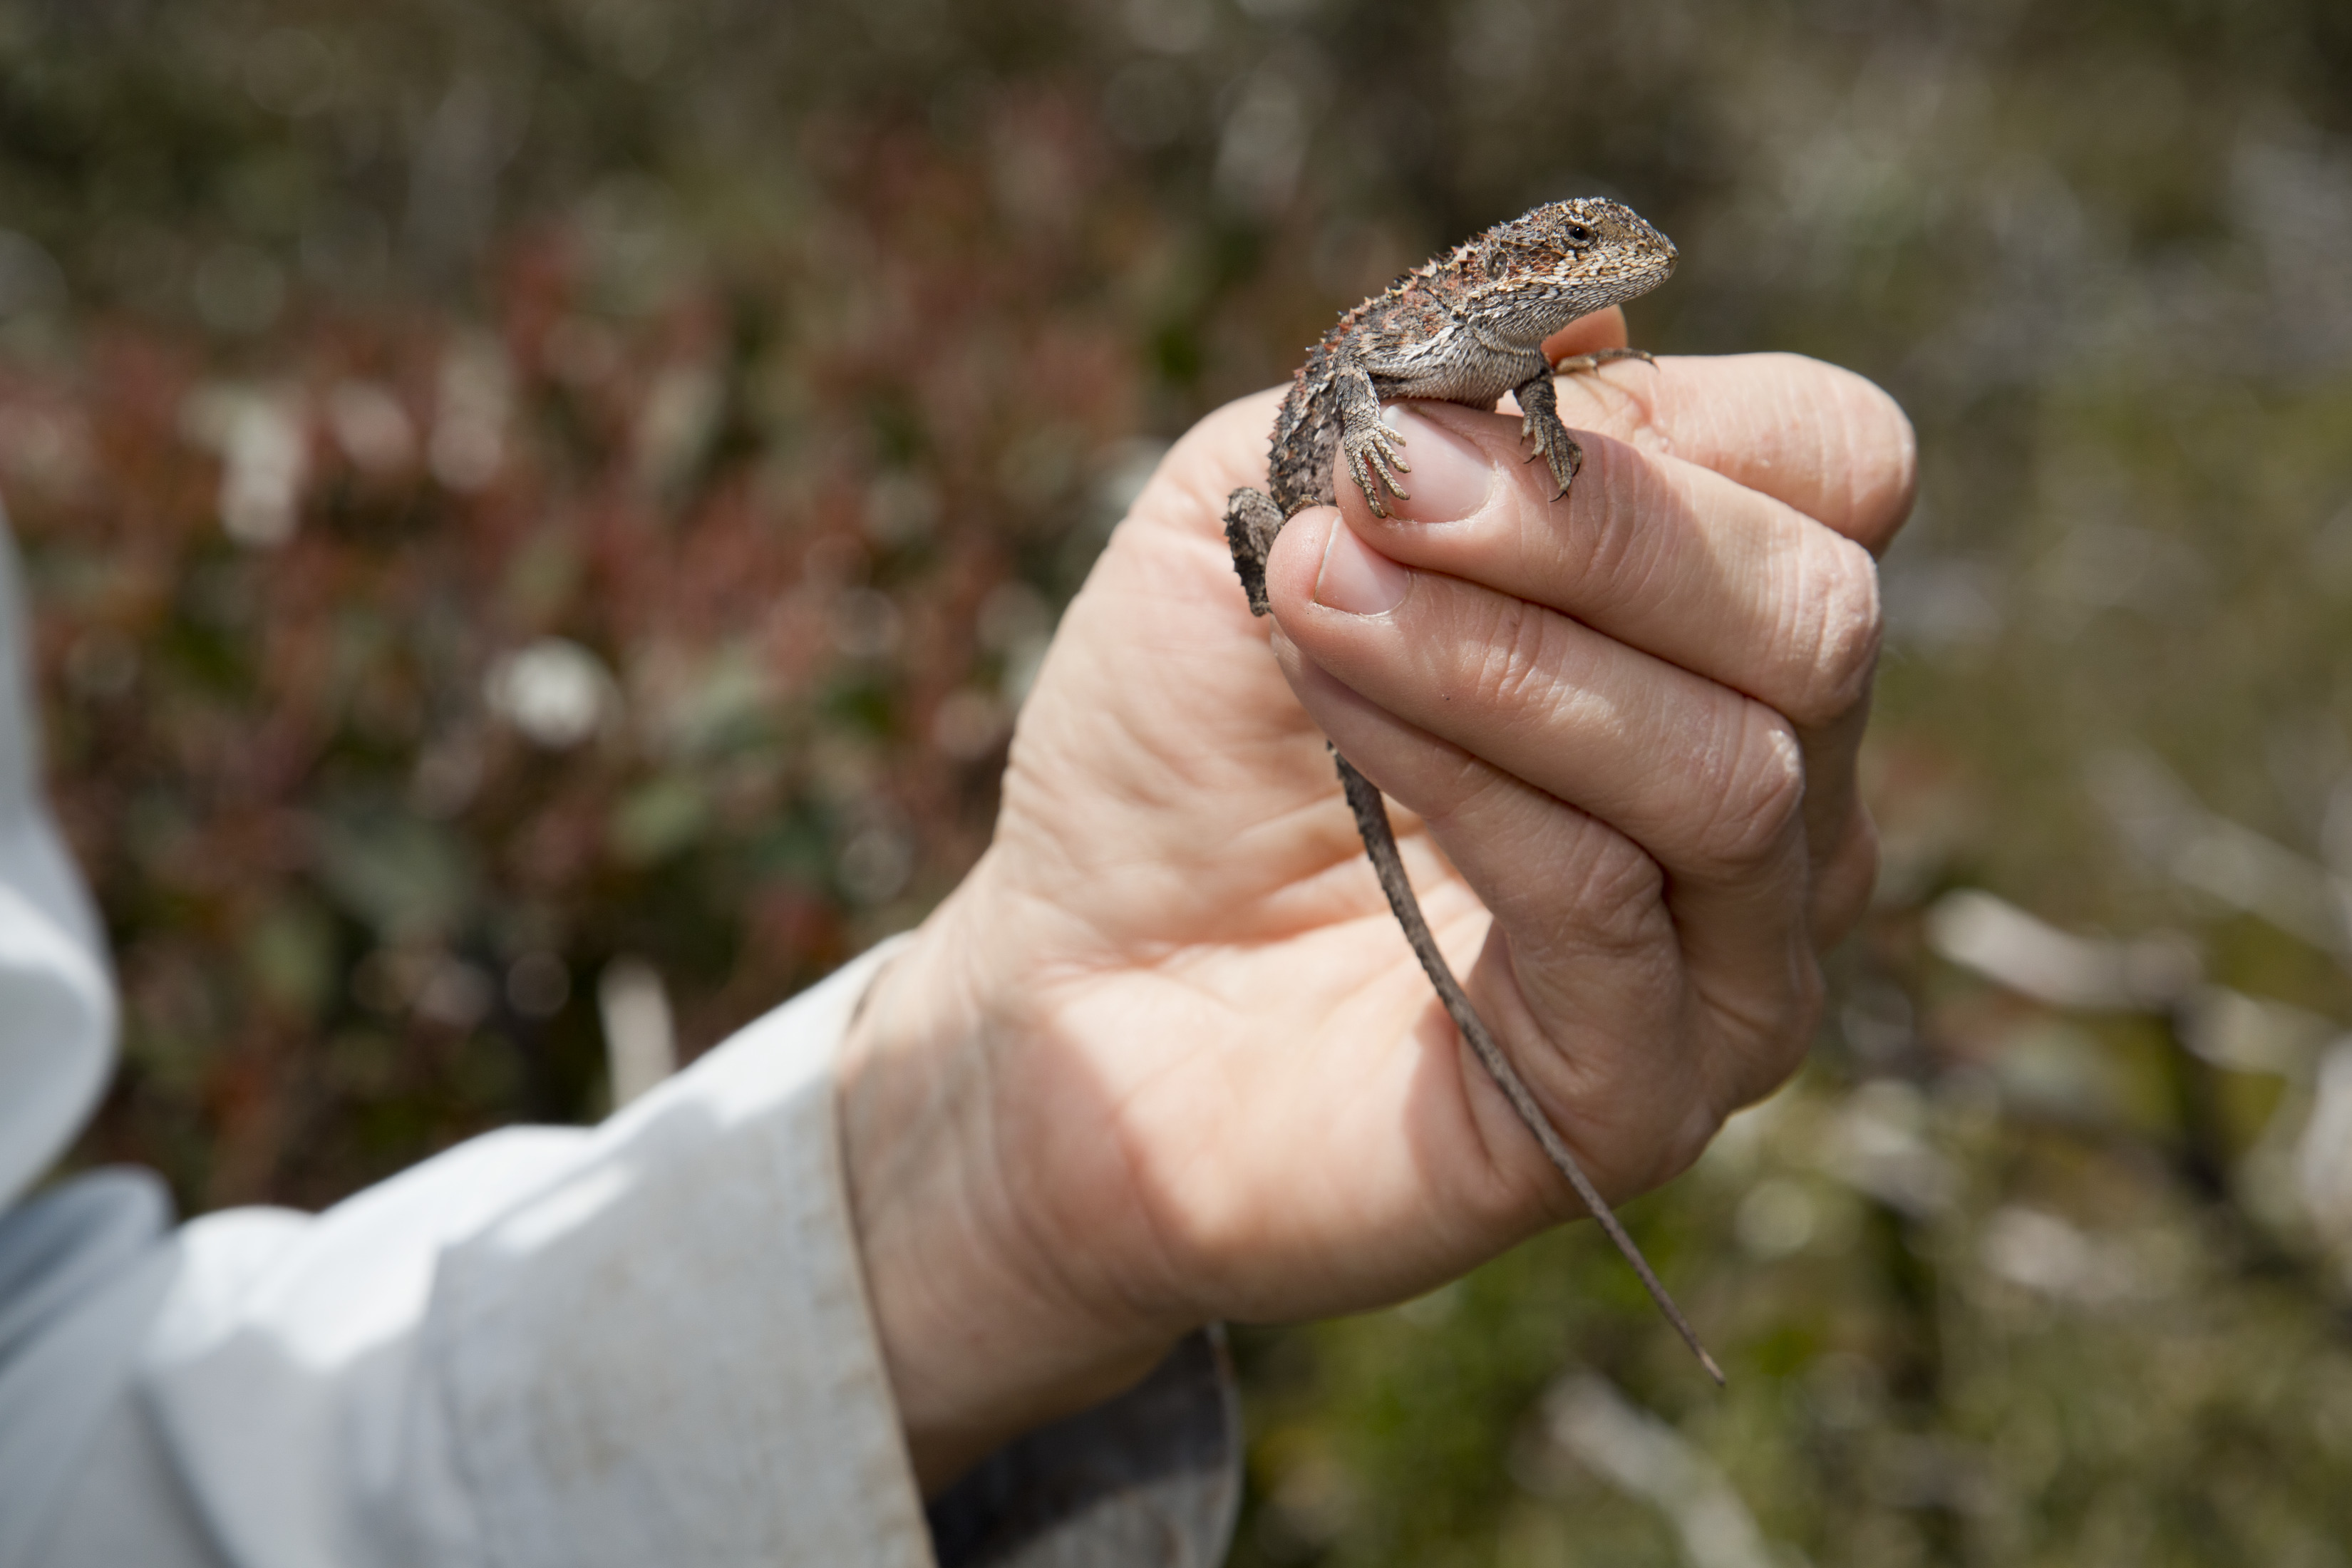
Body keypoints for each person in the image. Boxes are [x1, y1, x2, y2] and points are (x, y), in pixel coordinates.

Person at [0, 306, 1912, 1566]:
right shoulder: (1455, 324)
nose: (1610, 277)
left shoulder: (1508, 339)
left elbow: (59, 1439)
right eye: (1590, 260)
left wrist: (982, 1168)